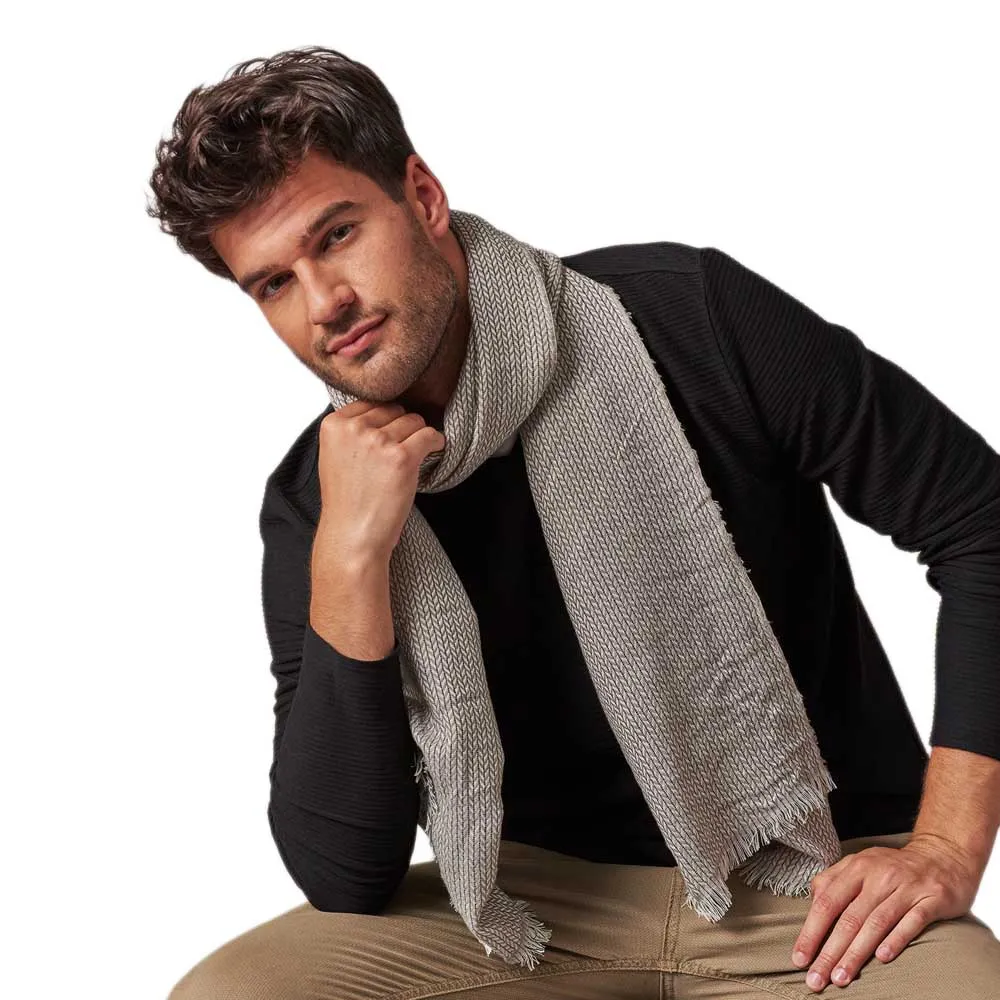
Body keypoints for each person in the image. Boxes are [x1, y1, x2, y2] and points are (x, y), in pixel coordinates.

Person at [147, 45, 1000, 999]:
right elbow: (344, 873)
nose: (325, 303)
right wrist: (351, 556)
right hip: (526, 909)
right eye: (273, 283)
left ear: (422, 196)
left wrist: (944, 846)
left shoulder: (690, 318)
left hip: (814, 879)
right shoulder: (320, 497)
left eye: (338, 235)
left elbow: (981, 522)